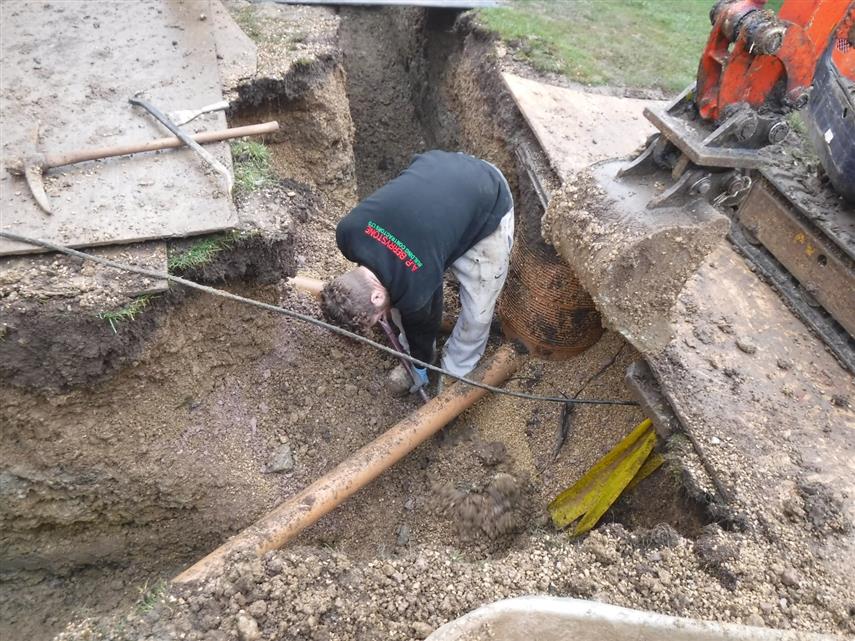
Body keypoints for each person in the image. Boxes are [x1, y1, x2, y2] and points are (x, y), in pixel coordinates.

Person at [320, 150, 514, 395]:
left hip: (486, 198)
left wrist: (420, 362)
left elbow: (425, 321)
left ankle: (456, 371)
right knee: (404, 299)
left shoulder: (415, 284)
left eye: (377, 317)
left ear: (376, 297)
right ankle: (411, 353)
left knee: (478, 313)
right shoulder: (347, 233)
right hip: (440, 167)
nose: (381, 319)